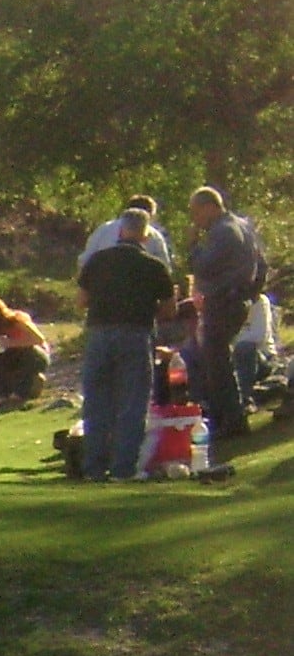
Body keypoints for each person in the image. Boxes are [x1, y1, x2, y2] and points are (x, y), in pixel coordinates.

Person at [76, 209, 176, 479]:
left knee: (96, 402)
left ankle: (94, 467)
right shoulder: (154, 266)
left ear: (120, 231)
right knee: (133, 403)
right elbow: (169, 310)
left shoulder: (97, 260)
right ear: (145, 235)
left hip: (99, 333)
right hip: (136, 333)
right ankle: (123, 468)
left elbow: (82, 301)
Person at [184, 186, 265, 442]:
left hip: (223, 301)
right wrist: (252, 294)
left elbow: (204, 267)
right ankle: (231, 415)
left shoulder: (222, 231)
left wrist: (193, 246)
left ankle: (232, 419)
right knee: (219, 359)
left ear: (210, 207)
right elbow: (262, 264)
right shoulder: (243, 226)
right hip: (238, 299)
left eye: (197, 213)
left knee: (217, 362)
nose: (195, 220)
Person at [0, 294, 49, 410]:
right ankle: (3, 394)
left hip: (35, 355)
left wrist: (11, 343)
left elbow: (38, 339)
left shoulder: (17, 320)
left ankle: (20, 394)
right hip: (15, 358)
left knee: (28, 352)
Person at [79, 197, 172, 267]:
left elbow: (84, 261)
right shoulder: (155, 237)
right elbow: (164, 267)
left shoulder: (103, 230)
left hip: (102, 288)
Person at [235, 287, 280, 407]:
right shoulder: (228, 305)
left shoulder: (260, 302)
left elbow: (260, 336)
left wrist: (233, 345)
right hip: (237, 359)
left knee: (244, 348)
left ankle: (245, 397)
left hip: (264, 357)